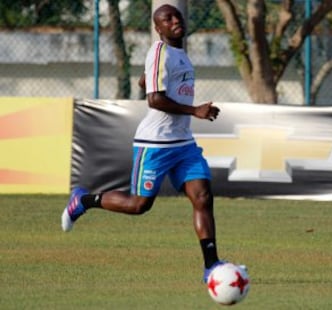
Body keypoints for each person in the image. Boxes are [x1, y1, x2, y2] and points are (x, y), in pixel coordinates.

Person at [61, 4, 235, 283]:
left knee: (203, 197)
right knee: (139, 205)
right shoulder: (159, 51)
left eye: (177, 16)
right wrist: (195, 111)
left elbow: (148, 82)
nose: (175, 20)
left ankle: (211, 266)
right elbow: (153, 99)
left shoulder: (179, 54)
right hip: (155, 143)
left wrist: (149, 78)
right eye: (168, 18)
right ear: (159, 28)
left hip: (183, 143)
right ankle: (84, 200)